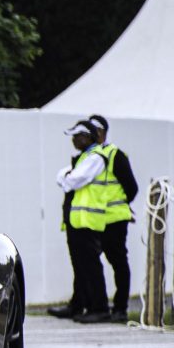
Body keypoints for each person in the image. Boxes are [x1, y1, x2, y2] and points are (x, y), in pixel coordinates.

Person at [54, 119, 111, 324]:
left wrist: (67, 177)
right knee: (80, 266)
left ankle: (100, 308)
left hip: (88, 221)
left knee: (91, 266)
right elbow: (62, 176)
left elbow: (73, 181)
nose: (74, 140)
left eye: (77, 136)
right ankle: (81, 305)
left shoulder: (95, 157)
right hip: (77, 221)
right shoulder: (83, 157)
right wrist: (67, 177)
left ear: (87, 137)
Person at [88, 114, 137, 322]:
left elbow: (132, 188)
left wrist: (120, 206)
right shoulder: (90, 156)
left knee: (118, 261)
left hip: (115, 219)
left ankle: (120, 308)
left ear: (102, 133)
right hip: (97, 219)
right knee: (94, 262)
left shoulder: (114, 155)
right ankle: (97, 305)